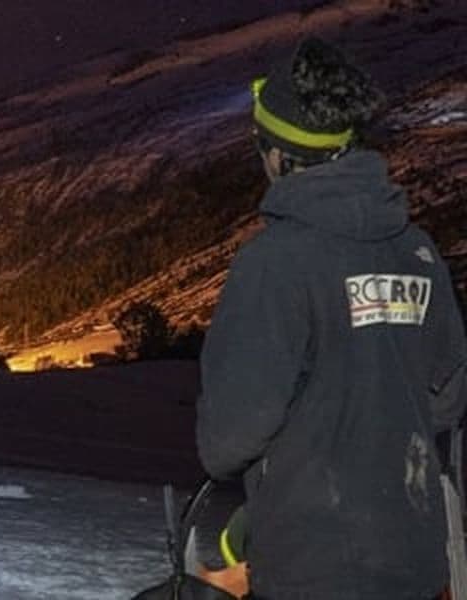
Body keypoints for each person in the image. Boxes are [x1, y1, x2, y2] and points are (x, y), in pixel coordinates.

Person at [195, 36, 467, 600]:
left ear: (276, 154)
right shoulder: (416, 250)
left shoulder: (274, 264)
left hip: (312, 571)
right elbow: (446, 400)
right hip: (416, 563)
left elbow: (227, 442)